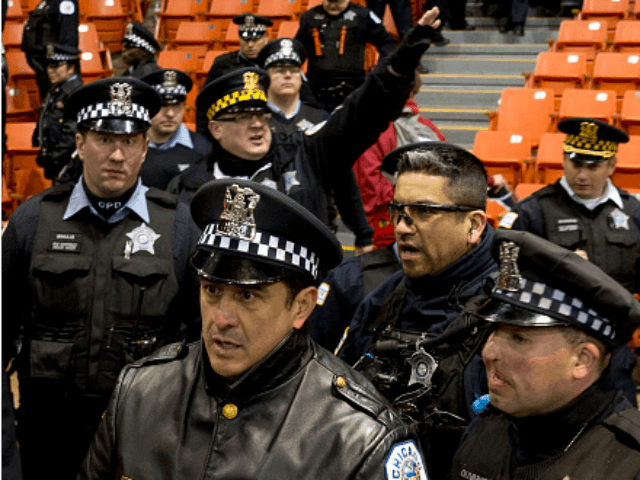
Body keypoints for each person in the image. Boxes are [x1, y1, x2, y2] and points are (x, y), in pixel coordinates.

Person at [78, 177, 428, 479]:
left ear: (302, 305)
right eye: (212, 290)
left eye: (248, 296)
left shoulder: (361, 436)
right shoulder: (140, 390)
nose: (222, 318)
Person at [1, 77, 201, 480]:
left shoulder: (179, 228)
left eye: (129, 142)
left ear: (145, 148)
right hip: (49, 433)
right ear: (79, 142)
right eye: (104, 139)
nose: (117, 155)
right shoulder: (33, 220)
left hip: (142, 431)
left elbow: (200, 344)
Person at [168, 8, 443, 228]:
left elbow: (362, 113)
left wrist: (404, 58)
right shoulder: (190, 185)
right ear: (215, 129)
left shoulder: (305, 154)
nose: (256, 124)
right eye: (241, 117)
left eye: (261, 114)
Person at [337, 141, 498, 480]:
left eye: (424, 212)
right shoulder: (379, 300)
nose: (403, 227)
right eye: (399, 211)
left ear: (474, 225)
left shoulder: (509, 314)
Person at [450, 229, 640, 479]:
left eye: (519, 338)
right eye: (495, 330)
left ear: (582, 360)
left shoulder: (629, 462)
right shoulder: (486, 426)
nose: (489, 351)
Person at [258, 37, 374, 254]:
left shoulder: (322, 121)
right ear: (265, 77)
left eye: (293, 69)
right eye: (279, 70)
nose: (287, 75)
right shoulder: (255, 120)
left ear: (301, 76)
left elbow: (343, 179)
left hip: (317, 230)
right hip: (263, 232)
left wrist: (362, 231)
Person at [500, 118, 640, 295]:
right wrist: (552, 267)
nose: (582, 176)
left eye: (593, 167)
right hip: (553, 318)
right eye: (576, 165)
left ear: (611, 166)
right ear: (564, 160)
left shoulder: (632, 211)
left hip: (615, 319)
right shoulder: (533, 211)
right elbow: (506, 274)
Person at [353, 69, 445, 249]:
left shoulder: (374, 127)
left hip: (388, 219)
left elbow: (367, 179)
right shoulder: (428, 128)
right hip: (429, 218)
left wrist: (365, 229)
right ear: (413, 92)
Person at [295, 0, 397, 111]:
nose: (334, 5)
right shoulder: (309, 17)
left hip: (352, 93)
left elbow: (388, 43)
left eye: (338, 1)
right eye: (329, 1)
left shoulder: (362, 16)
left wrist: (380, 71)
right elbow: (296, 50)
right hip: (317, 95)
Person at [196, 13, 273, 137]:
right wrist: (203, 138)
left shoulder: (275, 66)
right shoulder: (223, 64)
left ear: (266, 37)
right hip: (232, 132)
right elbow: (205, 104)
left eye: (255, 40)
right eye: (245, 39)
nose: (250, 45)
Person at [139, 68, 213, 190]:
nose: (170, 114)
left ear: (184, 107)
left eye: (176, 105)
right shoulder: (130, 147)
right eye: (163, 105)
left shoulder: (204, 150)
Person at [32, 43, 83, 181]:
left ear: (71, 67)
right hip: (58, 165)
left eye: (56, 66)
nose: (50, 71)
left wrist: (53, 158)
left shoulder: (76, 94)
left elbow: (72, 134)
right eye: (49, 66)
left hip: (69, 167)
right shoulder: (56, 91)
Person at [20, 0, 78, 101]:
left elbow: (68, 38)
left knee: (58, 108)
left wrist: (62, 66)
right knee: (48, 106)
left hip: (57, 69)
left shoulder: (64, 1)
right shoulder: (46, 3)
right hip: (43, 67)